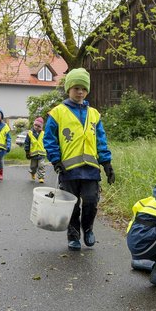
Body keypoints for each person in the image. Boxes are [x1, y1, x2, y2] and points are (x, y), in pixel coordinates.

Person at [43, 67, 115, 251]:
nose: (80, 92)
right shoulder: (57, 113)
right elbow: (49, 138)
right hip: (68, 169)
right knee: (72, 205)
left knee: (91, 201)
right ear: (69, 89)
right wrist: (55, 160)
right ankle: (73, 234)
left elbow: (101, 140)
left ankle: (88, 228)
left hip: (91, 168)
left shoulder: (94, 114)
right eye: (76, 88)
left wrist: (106, 163)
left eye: (83, 88)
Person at [24, 117, 46, 183]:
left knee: (41, 165)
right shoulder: (30, 133)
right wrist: (27, 152)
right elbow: (27, 143)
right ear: (33, 125)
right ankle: (33, 173)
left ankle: (41, 177)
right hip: (33, 154)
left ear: (41, 127)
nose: (36, 127)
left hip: (42, 153)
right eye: (35, 125)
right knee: (33, 166)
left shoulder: (43, 133)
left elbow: (46, 142)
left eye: (38, 126)